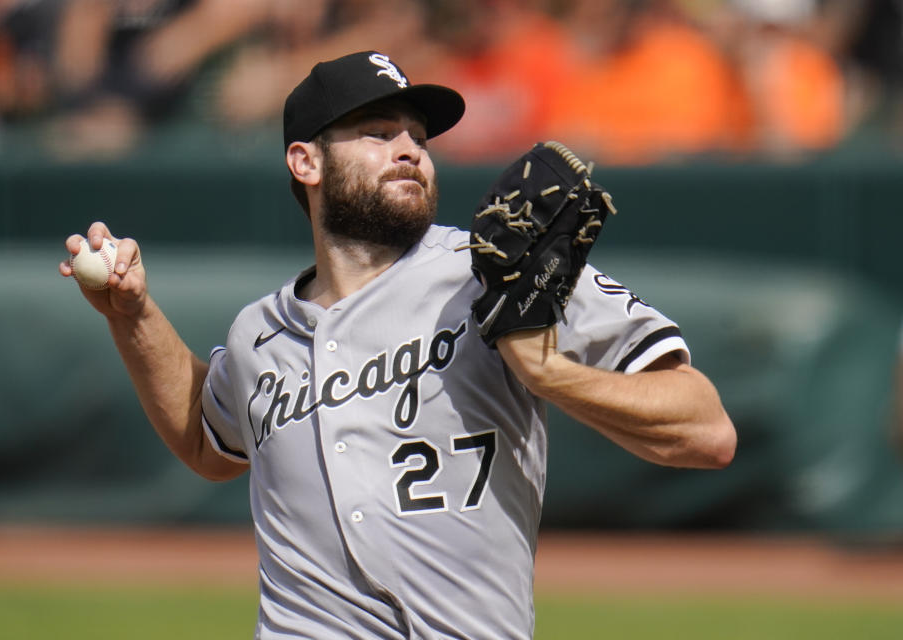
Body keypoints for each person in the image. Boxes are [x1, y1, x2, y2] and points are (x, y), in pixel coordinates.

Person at [59, 50, 736, 639]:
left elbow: (706, 429)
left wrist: (547, 372)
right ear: (306, 161)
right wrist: (132, 314)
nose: (410, 148)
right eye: (378, 133)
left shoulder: (500, 274)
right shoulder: (258, 333)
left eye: (419, 136)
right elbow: (211, 445)